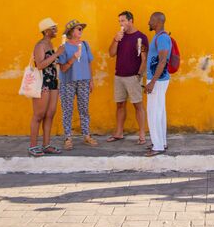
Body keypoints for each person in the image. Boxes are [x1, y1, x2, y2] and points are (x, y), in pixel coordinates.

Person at [107, 11, 149, 145]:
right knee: (119, 105)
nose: (121, 24)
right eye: (119, 21)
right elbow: (111, 54)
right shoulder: (120, 37)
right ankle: (119, 132)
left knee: (138, 105)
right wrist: (115, 39)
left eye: (123, 21)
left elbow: (144, 58)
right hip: (119, 76)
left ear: (131, 21)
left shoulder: (141, 37)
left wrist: (139, 75)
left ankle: (142, 134)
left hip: (133, 77)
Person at [57, 19, 98, 150]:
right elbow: (63, 68)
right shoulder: (64, 47)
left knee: (84, 109)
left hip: (84, 81)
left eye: (81, 29)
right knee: (67, 110)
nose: (81, 31)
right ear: (71, 31)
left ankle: (86, 135)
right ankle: (68, 137)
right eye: (78, 28)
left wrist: (91, 80)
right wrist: (74, 57)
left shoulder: (85, 45)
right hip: (67, 82)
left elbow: (88, 63)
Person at [28, 18, 65, 157]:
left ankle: (46, 144)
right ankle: (33, 146)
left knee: (50, 114)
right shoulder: (40, 45)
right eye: (53, 27)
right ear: (45, 31)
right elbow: (40, 65)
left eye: (56, 27)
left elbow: (51, 63)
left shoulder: (50, 44)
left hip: (53, 82)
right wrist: (57, 54)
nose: (56, 29)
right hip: (42, 83)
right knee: (39, 115)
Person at [144, 12, 172, 157]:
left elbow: (162, 61)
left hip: (157, 80)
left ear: (157, 21)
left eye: (150, 20)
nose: (148, 22)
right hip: (159, 79)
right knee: (159, 112)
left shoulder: (162, 38)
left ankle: (158, 146)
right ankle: (161, 142)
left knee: (153, 112)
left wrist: (152, 82)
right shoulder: (159, 37)